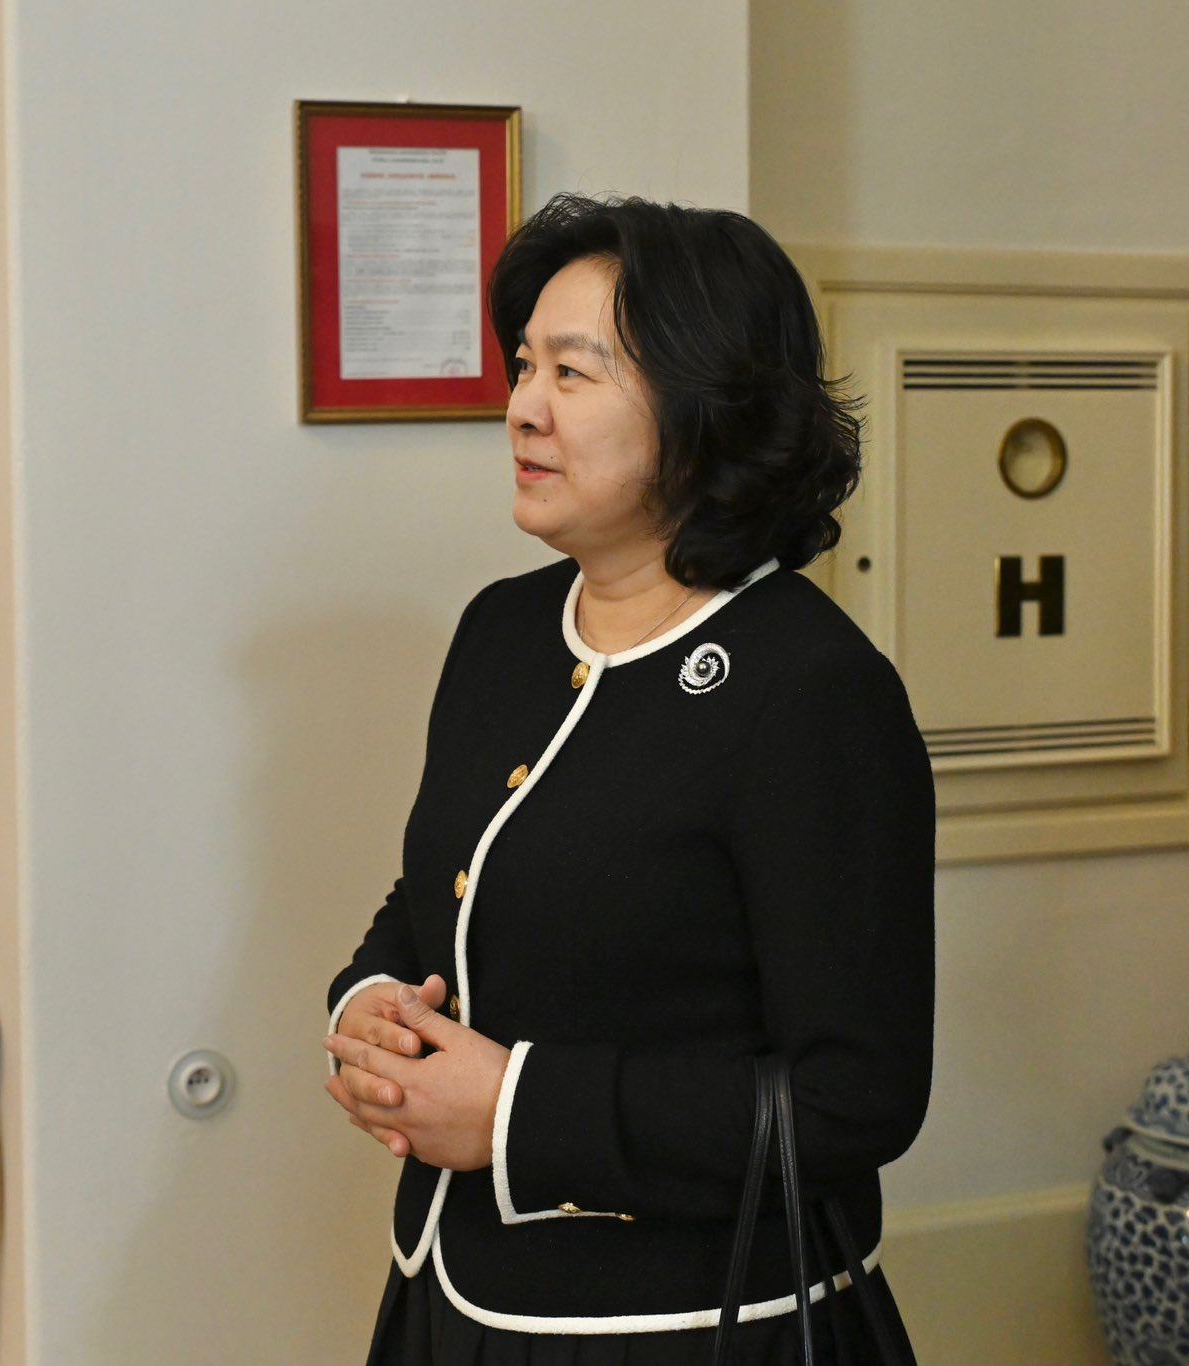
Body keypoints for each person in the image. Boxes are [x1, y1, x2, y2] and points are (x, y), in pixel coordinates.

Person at [321, 194, 934, 1364]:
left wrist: (514, 1112)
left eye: (571, 371)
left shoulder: (810, 689)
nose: (520, 406)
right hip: (450, 1294)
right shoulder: (501, 630)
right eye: (520, 366)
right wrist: (368, 1006)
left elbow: (853, 1096)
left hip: (686, 1326)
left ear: (704, 409)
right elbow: (448, 890)